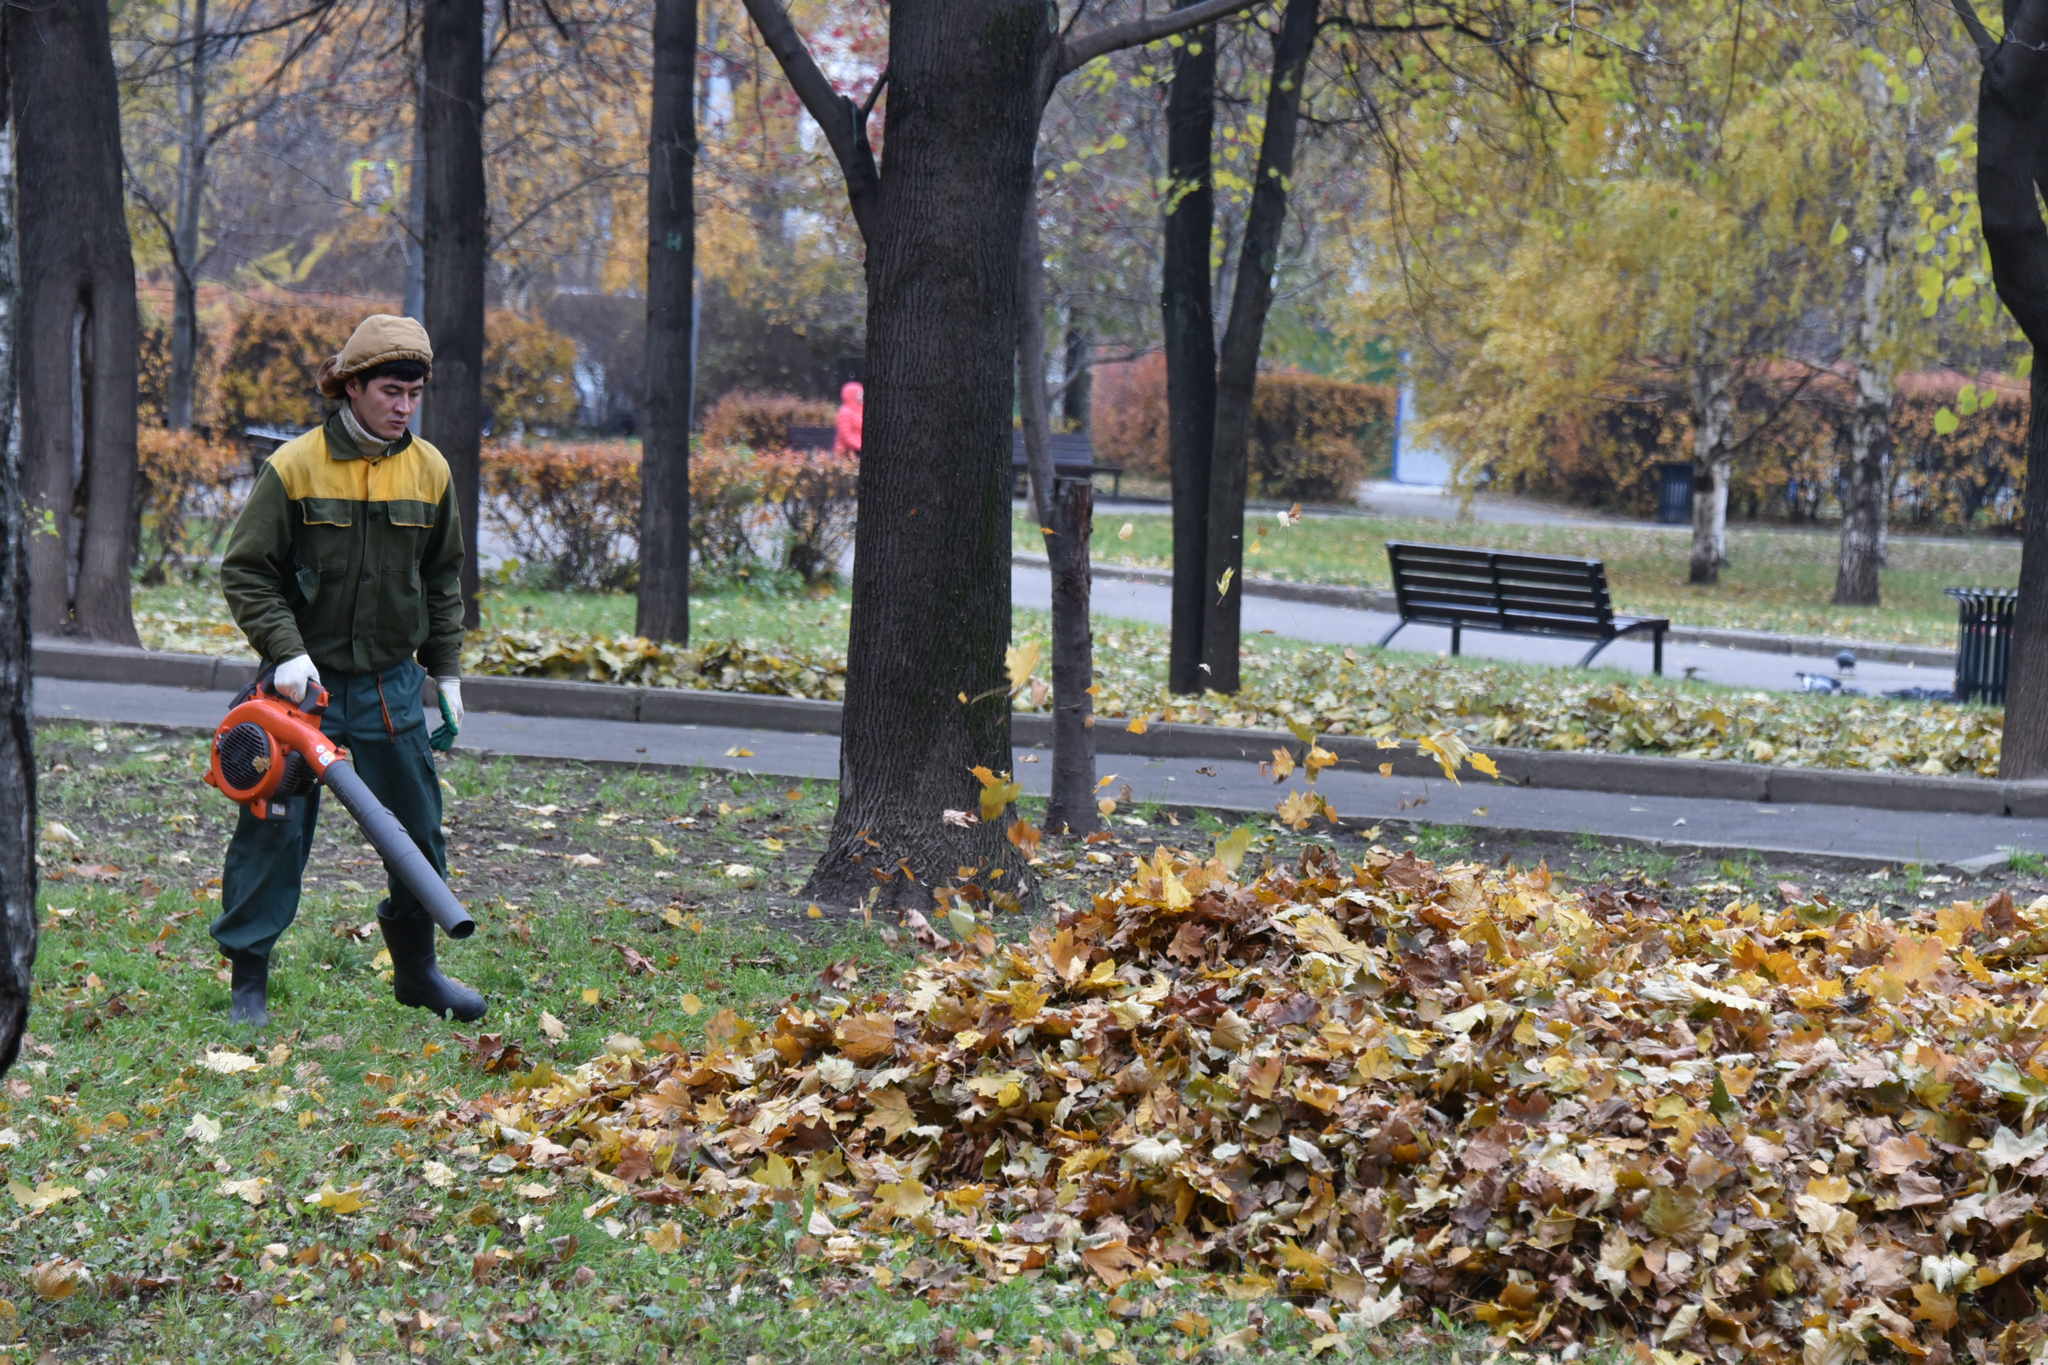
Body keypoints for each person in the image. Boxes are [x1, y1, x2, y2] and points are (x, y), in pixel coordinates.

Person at [214, 313, 484, 1028]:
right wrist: (286, 650)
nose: (403, 406)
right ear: (353, 387)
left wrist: (447, 675)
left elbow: (443, 580)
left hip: (392, 687)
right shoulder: (296, 466)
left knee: (418, 831)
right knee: (273, 828)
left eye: (414, 393)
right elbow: (246, 572)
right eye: (391, 390)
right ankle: (250, 979)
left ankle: (419, 972)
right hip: (302, 693)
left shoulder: (430, 471)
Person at [833, 380, 864, 457]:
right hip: (848, 452)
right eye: (859, 394)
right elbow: (846, 436)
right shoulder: (845, 412)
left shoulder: (861, 410)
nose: (861, 397)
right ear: (851, 395)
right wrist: (859, 446)